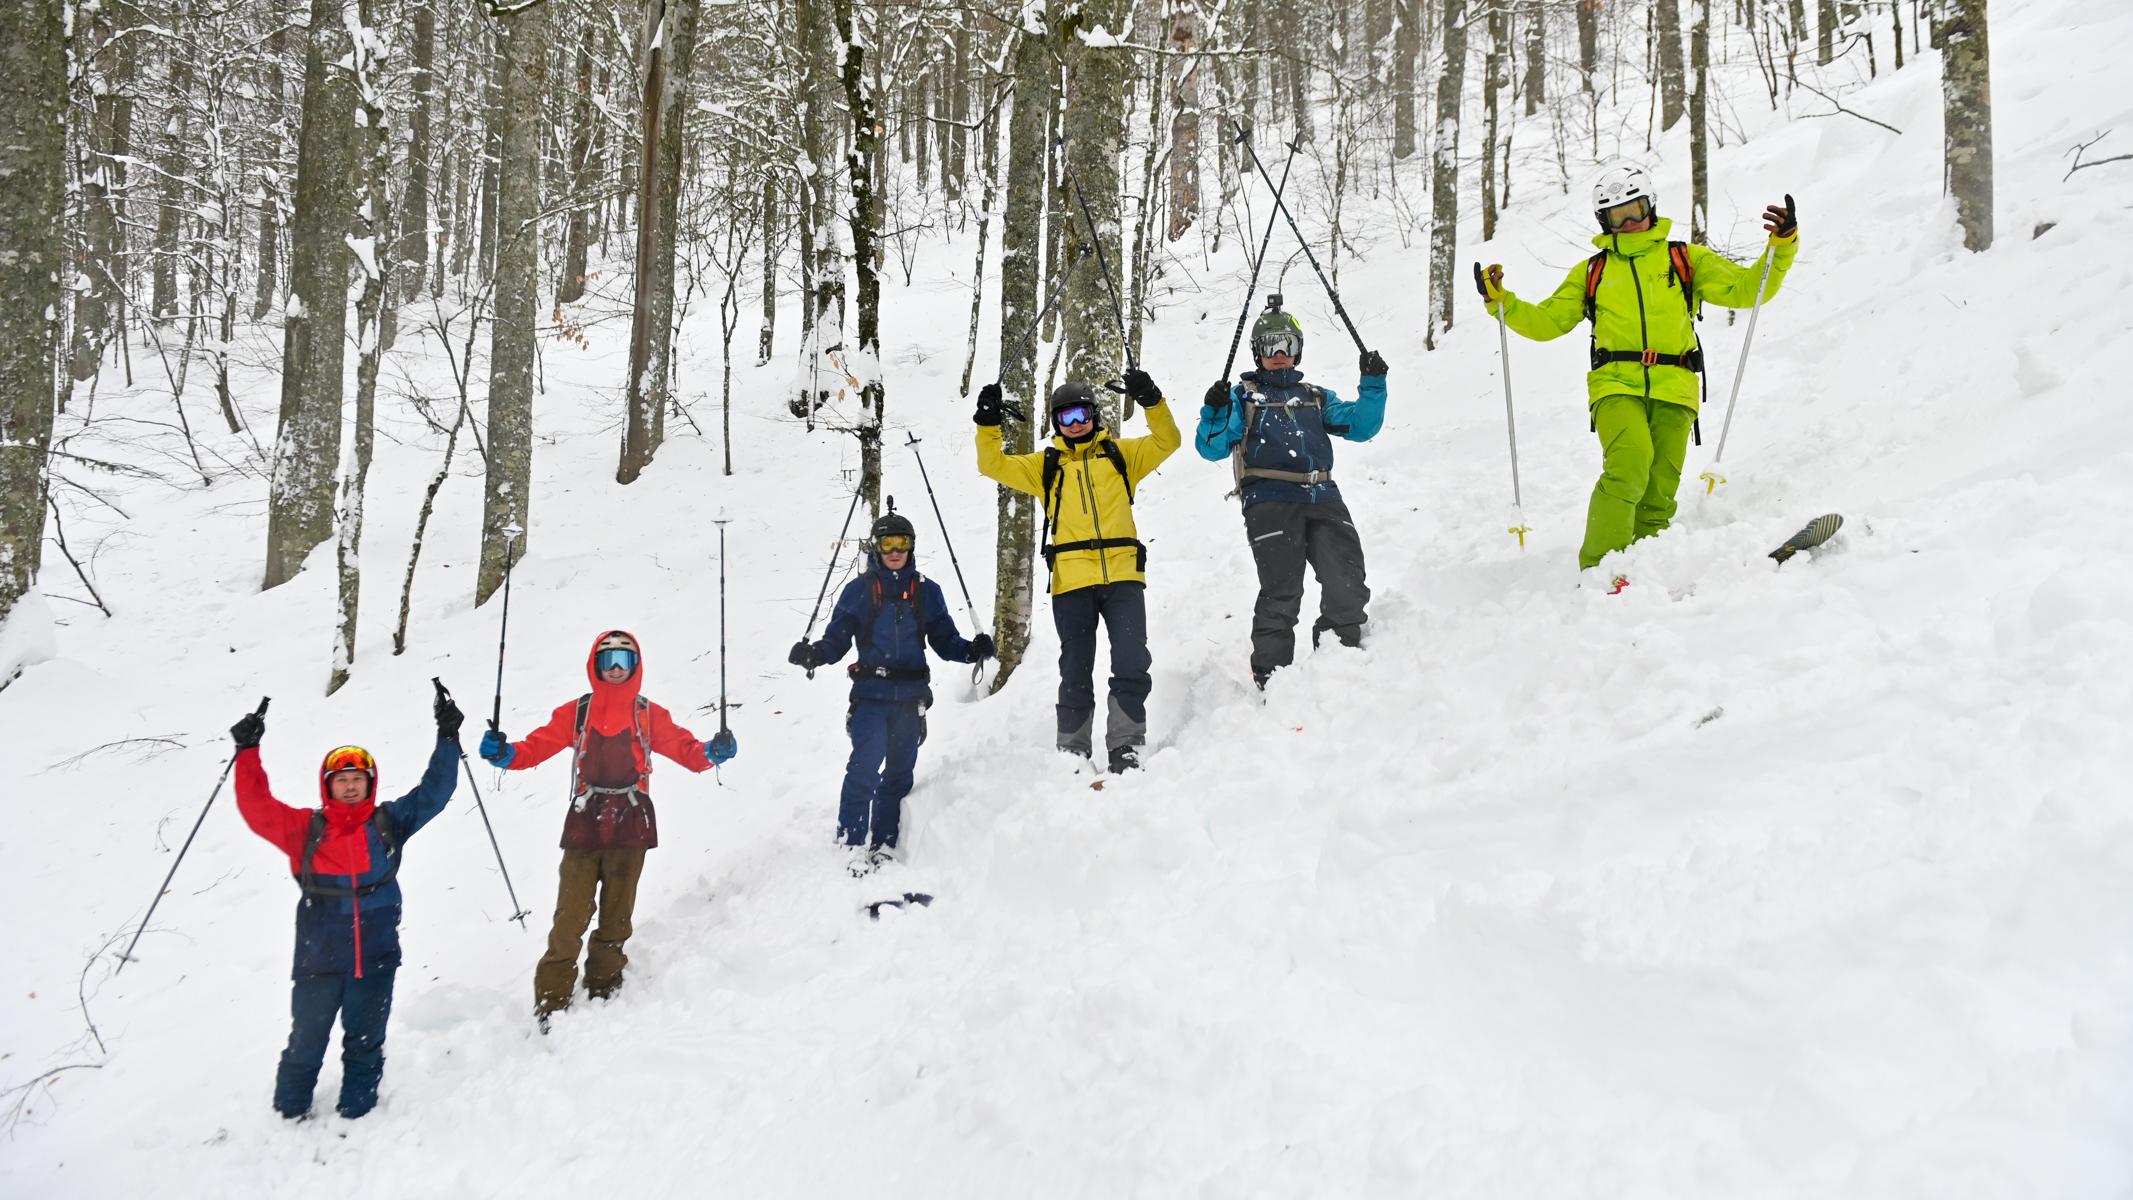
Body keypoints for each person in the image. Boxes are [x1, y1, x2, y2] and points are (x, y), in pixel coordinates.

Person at [1477, 164, 1800, 573]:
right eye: (1617, 216)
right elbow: (1548, 322)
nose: (1629, 222)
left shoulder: (1685, 258)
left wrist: (1782, 245)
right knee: (1630, 465)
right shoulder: (1593, 271)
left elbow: (1748, 289)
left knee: (1660, 489)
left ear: (1651, 206)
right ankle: (1598, 570)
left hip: (1676, 384)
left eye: (1636, 209)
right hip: (1615, 383)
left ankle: (1646, 569)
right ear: (1604, 221)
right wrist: (1501, 302)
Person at [480, 630, 737, 1023]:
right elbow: (534, 748)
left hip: (631, 820)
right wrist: (505, 754)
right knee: (570, 915)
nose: (616, 669)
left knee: (617, 914)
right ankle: (551, 1000)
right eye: (608, 661)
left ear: (636, 667)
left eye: (625, 661)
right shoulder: (577, 712)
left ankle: (604, 983)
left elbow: (686, 750)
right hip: (586, 819)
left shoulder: (648, 713)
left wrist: (711, 752)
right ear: (594, 666)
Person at [230, 689, 461, 1120]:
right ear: (328, 785)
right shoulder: (306, 829)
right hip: (320, 959)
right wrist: (247, 751)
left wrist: (447, 738)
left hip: (376, 959)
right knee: (307, 1040)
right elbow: (257, 807)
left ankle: (359, 1110)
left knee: (366, 1040)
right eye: (342, 779)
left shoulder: (388, 822)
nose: (351, 786)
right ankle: (289, 1111)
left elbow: (435, 792)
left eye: (358, 778)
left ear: (370, 783)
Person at [974, 368, 1180, 771]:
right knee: (1075, 667)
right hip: (1071, 582)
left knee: (1131, 659)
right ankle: (1072, 749)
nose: (1075, 424)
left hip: (1122, 577)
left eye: (1082, 415)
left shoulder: (1122, 456)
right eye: (1065, 418)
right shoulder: (1045, 466)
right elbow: (992, 464)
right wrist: (988, 422)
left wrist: (1151, 400)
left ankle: (1126, 745)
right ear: (1055, 423)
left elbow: (1167, 440)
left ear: (1095, 416)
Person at [1196, 295, 1388, 687]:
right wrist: (1214, 411)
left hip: (1323, 495)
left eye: (1288, 346)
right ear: (1257, 352)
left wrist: (1373, 384)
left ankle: (1340, 659)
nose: (1279, 354)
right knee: (1282, 591)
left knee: (1347, 581)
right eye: (1270, 347)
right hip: (1269, 499)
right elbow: (1211, 447)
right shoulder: (1244, 397)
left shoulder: (1316, 396)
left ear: (1298, 350)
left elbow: (1362, 427)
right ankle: (1274, 677)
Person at [787, 508, 992, 869]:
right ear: (876, 548)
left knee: (899, 772)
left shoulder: (927, 591)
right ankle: (851, 844)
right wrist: (814, 654)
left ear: (912, 547)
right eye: (888, 543)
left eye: (903, 542)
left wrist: (970, 650)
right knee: (864, 767)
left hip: (911, 699)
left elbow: (944, 640)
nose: (895, 550)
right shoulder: (859, 591)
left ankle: (883, 843)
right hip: (870, 696)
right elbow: (837, 639)